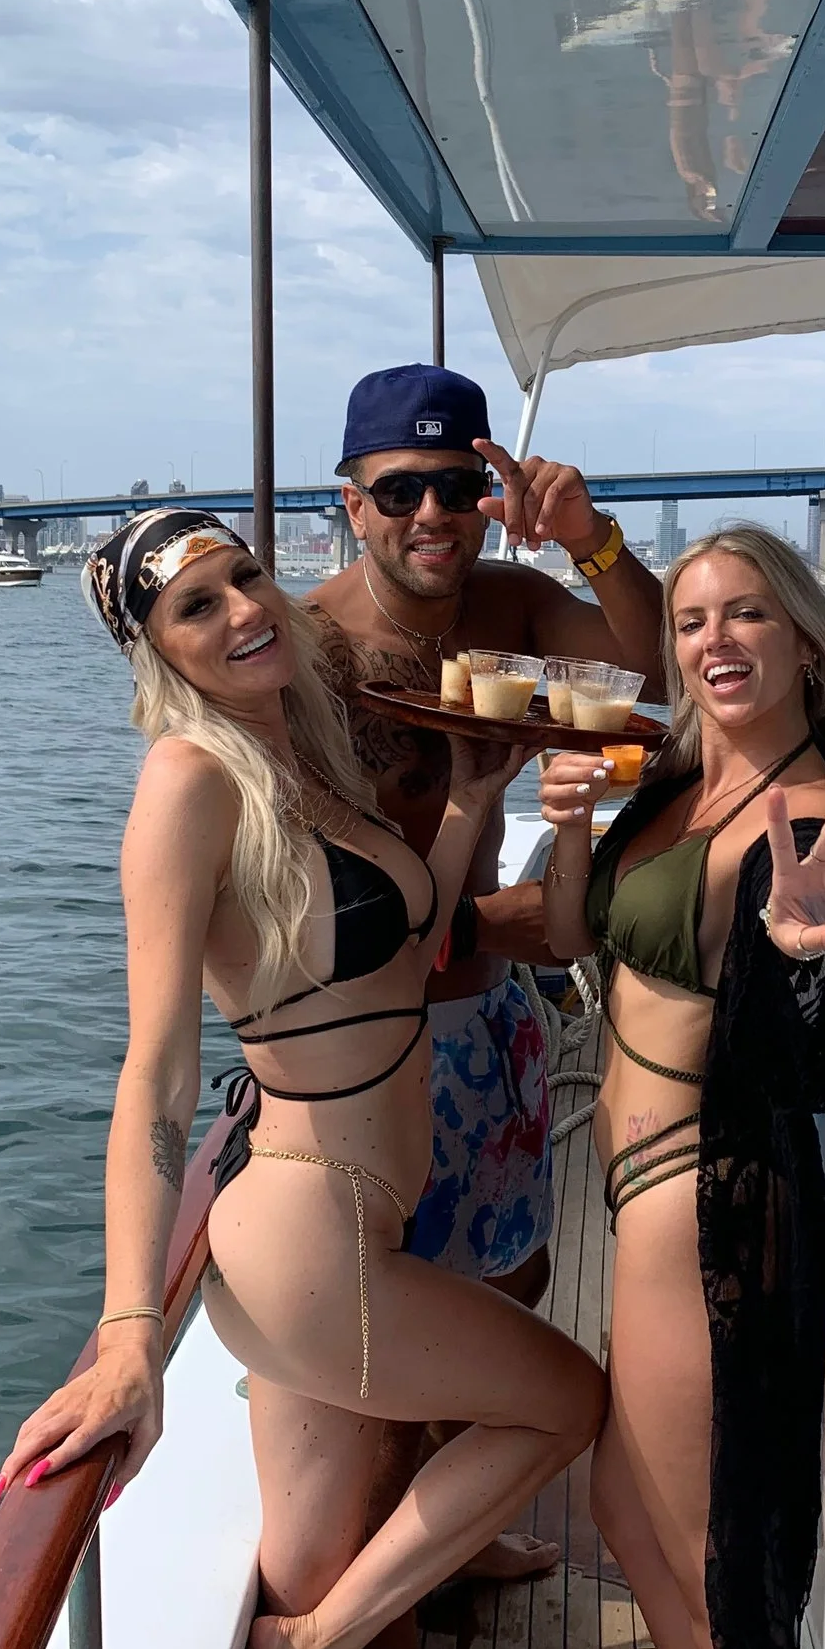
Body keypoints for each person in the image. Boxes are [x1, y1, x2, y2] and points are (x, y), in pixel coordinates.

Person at [0, 510, 604, 1649]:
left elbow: (407, 936)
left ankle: (318, 1628)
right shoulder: (190, 780)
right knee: (566, 1401)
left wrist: (474, 789)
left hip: (355, 1229)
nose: (241, 611)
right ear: (155, 650)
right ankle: (310, 1643)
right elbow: (159, 1073)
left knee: (325, 1561)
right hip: (313, 1245)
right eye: (194, 605)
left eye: (247, 578)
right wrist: (129, 1329)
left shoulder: (300, 759)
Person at [536, 523, 825, 1649]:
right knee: (624, 1514)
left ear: (806, 647)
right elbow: (574, 934)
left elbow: (817, 1057)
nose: (713, 640)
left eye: (745, 614)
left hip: (702, 1200)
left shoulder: (813, 816)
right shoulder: (679, 774)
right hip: (636, 1194)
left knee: (708, 1565)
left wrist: (799, 953)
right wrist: (574, 832)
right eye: (690, 621)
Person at [307, 363, 667, 1304]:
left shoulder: (513, 602)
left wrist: (591, 538)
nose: (433, 510)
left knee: (520, 1276)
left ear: (490, 502)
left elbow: (656, 666)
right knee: (388, 1330)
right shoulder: (309, 647)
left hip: (496, 1018)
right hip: (367, 1041)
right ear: (354, 505)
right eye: (400, 488)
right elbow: (289, 886)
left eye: (460, 487)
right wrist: (476, 927)